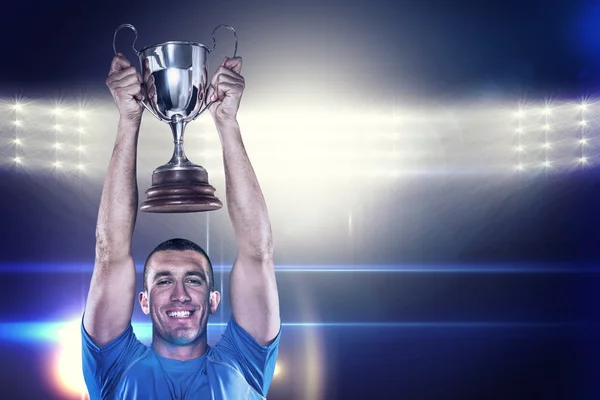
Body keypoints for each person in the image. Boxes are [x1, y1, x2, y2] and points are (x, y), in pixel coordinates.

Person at [81, 53, 281, 399]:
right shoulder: (114, 366)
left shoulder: (244, 364)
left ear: (214, 299)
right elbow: (109, 254)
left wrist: (227, 123)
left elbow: (257, 253)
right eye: (163, 281)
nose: (180, 294)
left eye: (193, 280)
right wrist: (129, 120)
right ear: (142, 300)